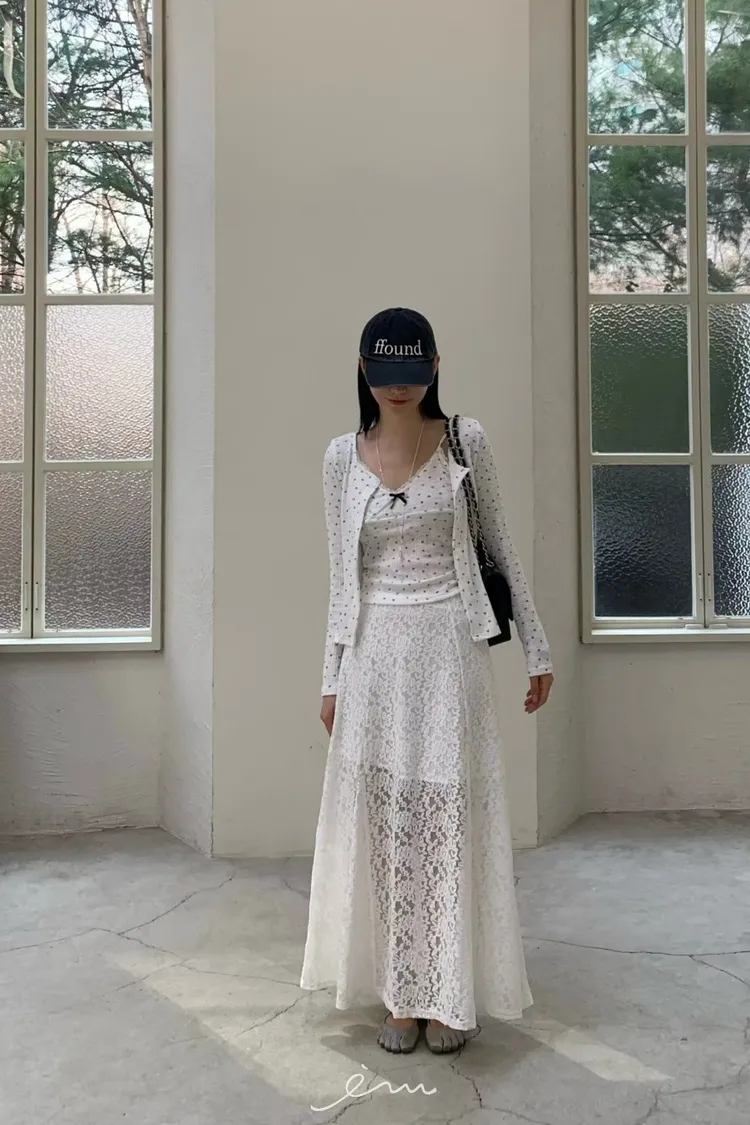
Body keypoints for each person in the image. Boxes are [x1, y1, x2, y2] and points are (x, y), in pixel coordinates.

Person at [300, 308, 553, 1054]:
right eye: (385, 372)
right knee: (389, 828)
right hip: (374, 659)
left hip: (449, 653)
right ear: (363, 370)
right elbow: (341, 580)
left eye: (413, 370)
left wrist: (536, 649)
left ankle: (449, 994)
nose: (399, 386)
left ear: (435, 367)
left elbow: (501, 548)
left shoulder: (465, 441)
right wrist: (331, 677)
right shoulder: (340, 458)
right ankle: (402, 993)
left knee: (447, 821)